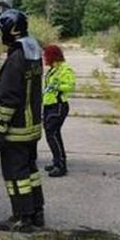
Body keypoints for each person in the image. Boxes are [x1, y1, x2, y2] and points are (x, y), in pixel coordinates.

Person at [0, 9, 44, 233]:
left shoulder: (15, 58)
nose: (1, 34)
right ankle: (36, 212)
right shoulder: (32, 51)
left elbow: (8, 98)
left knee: (16, 175)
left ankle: (22, 217)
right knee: (31, 172)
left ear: (11, 30)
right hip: (32, 128)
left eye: (2, 30)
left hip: (16, 129)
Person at [42, 44, 76, 178]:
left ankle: (60, 165)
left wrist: (57, 86)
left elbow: (70, 86)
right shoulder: (53, 69)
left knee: (52, 135)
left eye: (45, 55)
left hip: (58, 106)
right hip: (49, 105)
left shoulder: (64, 69)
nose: (44, 58)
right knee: (55, 134)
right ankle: (58, 161)